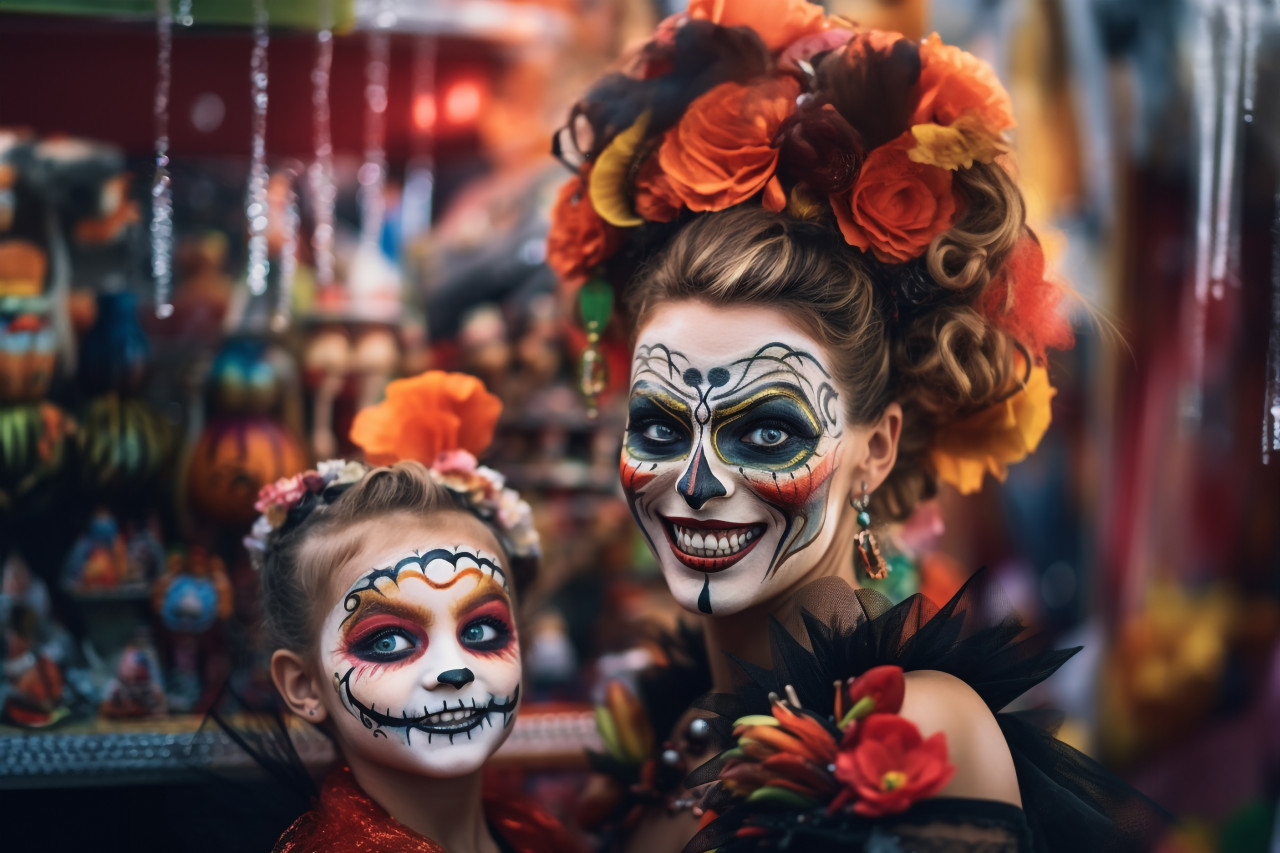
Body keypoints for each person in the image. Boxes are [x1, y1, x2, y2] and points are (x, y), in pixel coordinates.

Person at [546, 1, 1164, 850]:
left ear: (876, 449)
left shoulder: (914, 730)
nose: (692, 481)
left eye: (765, 433)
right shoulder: (672, 737)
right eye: (657, 427)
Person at [246, 370, 577, 853]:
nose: (453, 670)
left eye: (483, 630)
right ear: (304, 685)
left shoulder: (538, 841)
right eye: (389, 642)